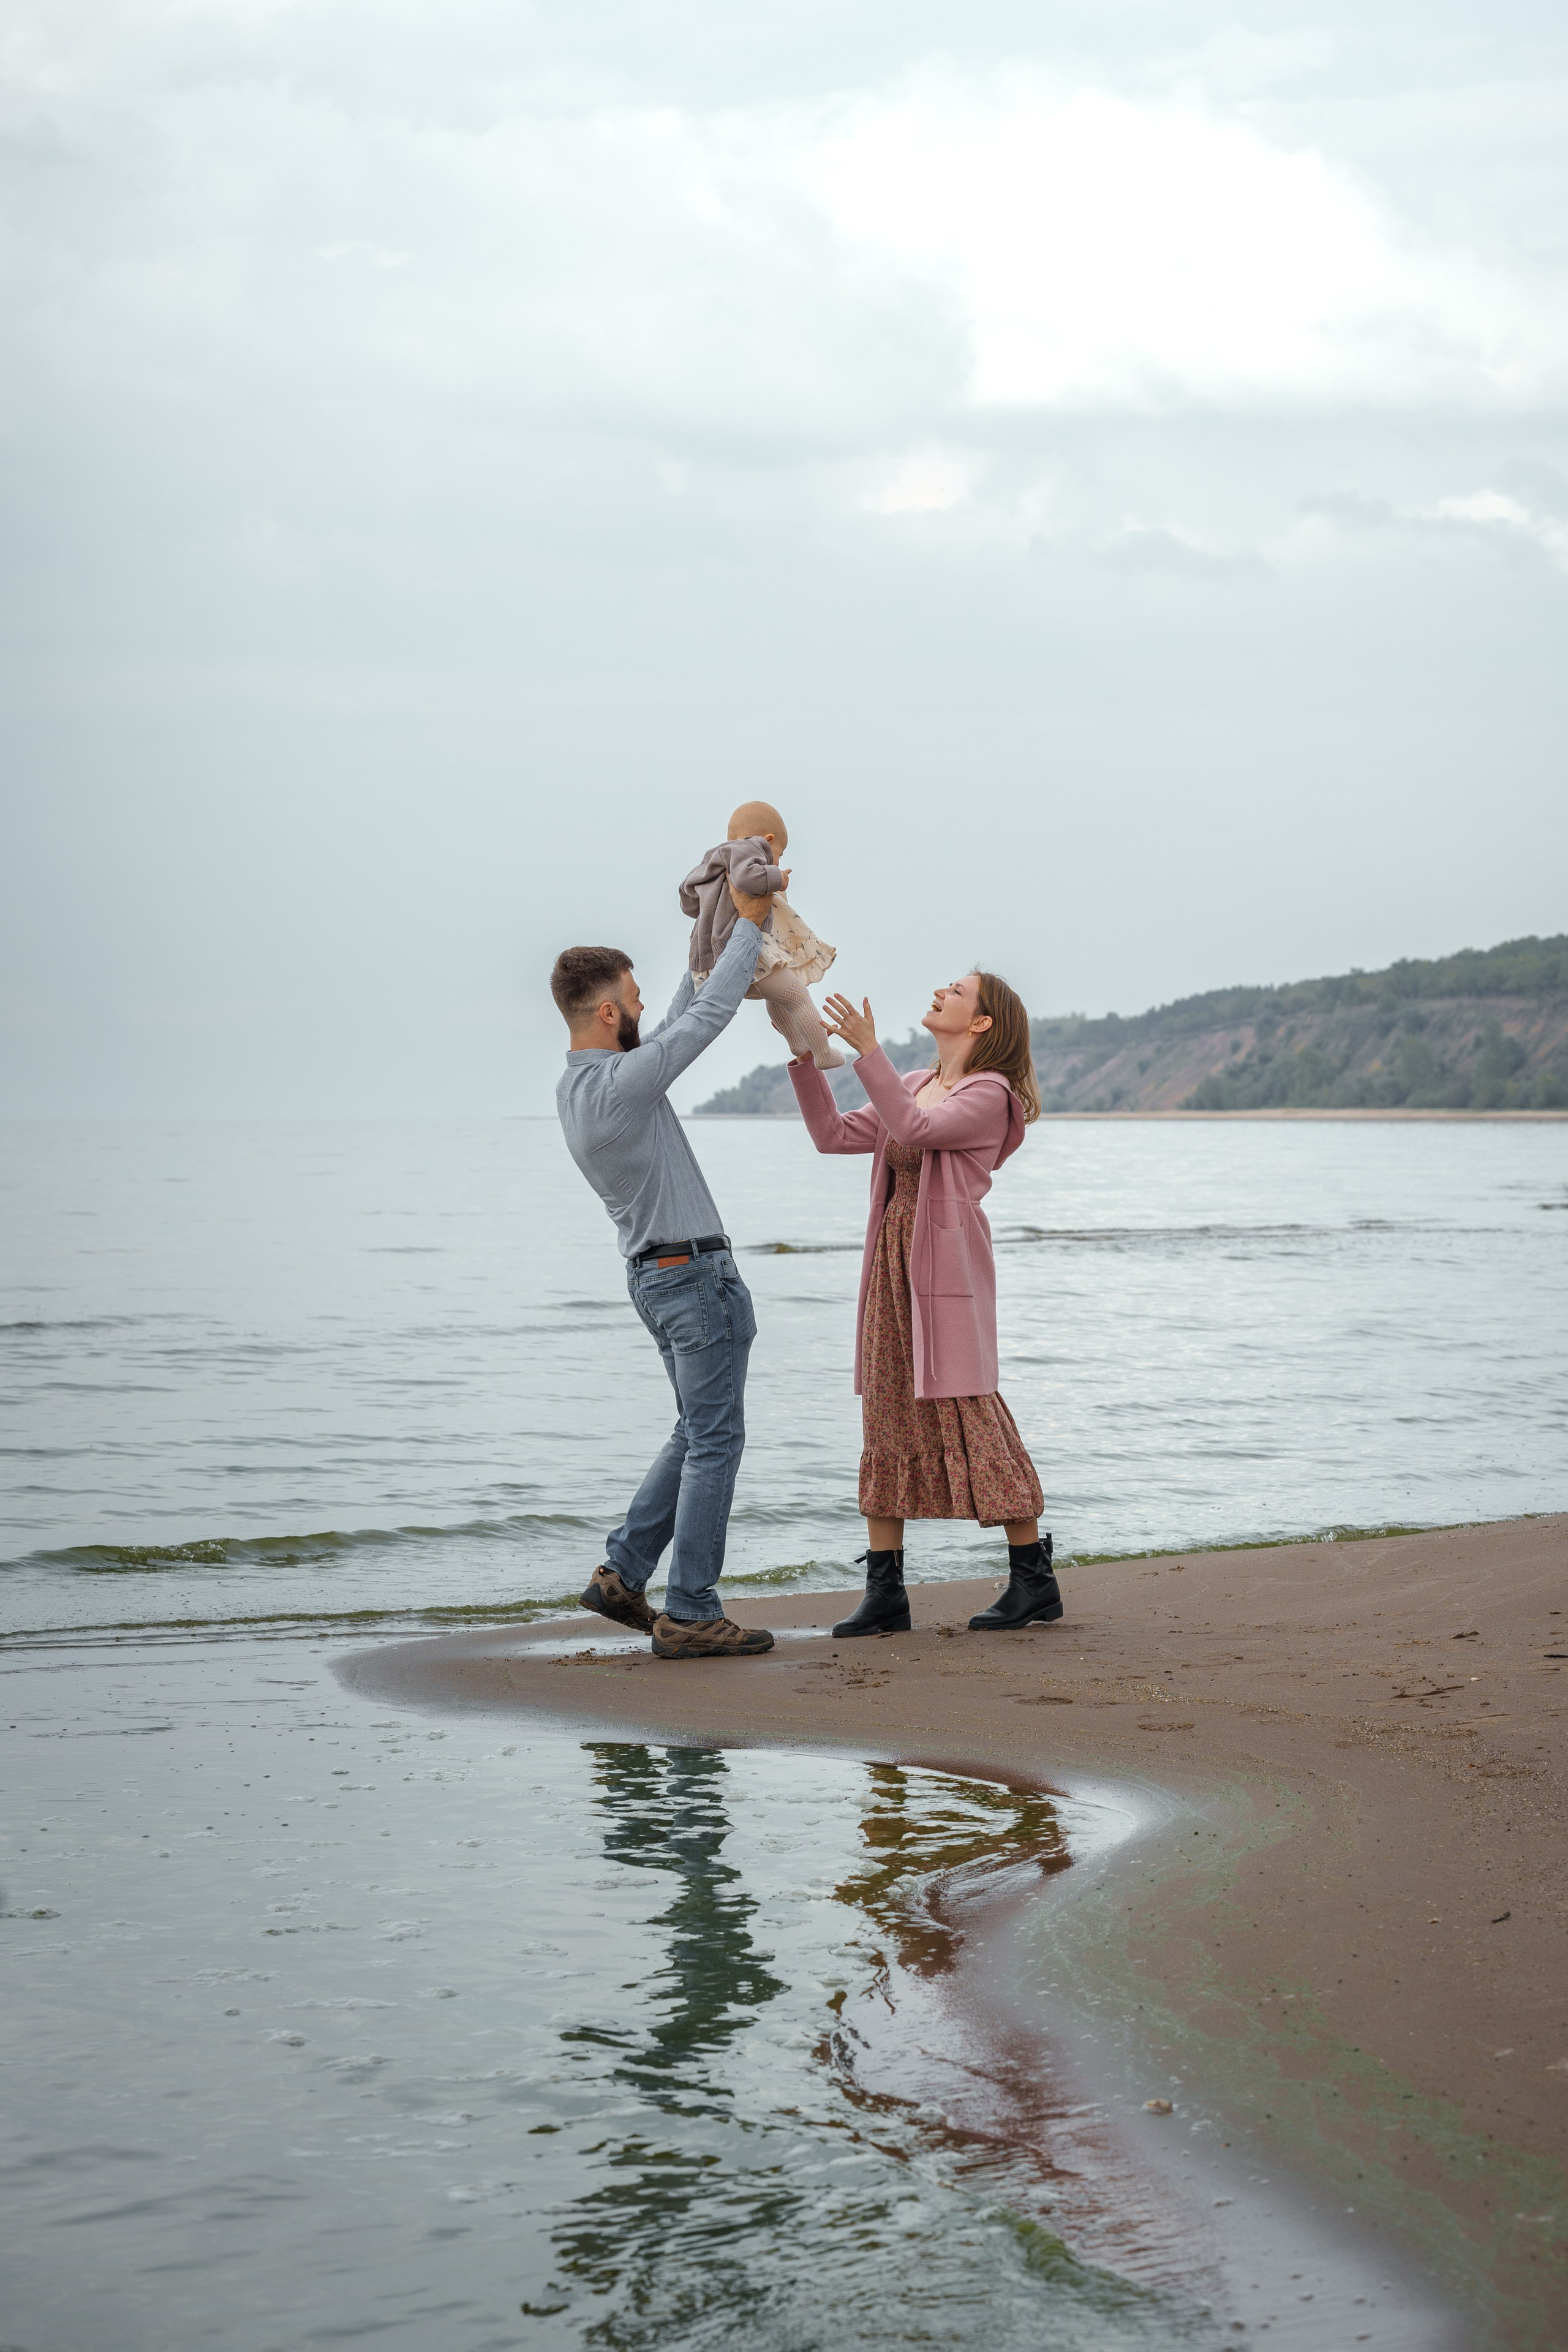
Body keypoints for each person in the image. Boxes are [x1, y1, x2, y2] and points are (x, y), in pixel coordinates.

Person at [790, 971, 1063, 1638]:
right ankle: (885, 1592)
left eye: (958, 991)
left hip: (945, 1271)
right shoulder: (911, 1080)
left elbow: (915, 1128)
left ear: (981, 1024)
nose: (941, 989)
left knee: (969, 1409)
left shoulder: (991, 1095)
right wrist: (802, 1052)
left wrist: (865, 1052)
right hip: (891, 1265)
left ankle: (1033, 1579)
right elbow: (831, 1134)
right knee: (885, 1409)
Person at [552, 877, 780, 1660]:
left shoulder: (578, 1088)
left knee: (695, 1430)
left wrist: (705, 944)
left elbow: (681, 1015)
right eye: (635, 1000)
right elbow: (709, 1020)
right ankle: (690, 1609)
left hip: (655, 1279)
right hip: (693, 1280)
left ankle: (622, 1573)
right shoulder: (623, 1084)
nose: (645, 1010)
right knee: (716, 1440)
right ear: (608, 1011)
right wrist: (750, 924)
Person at [681, 800, 843, 1069]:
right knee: (799, 997)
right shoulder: (747, 850)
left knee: (778, 996)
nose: (778, 861)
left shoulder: (711, 863)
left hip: (718, 960)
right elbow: (749, 879)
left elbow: (688, 902)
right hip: (749, 951)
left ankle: (798, 1044)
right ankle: (824, 1053)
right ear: (767, 840)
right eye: (779, 853)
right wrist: (779, 878)